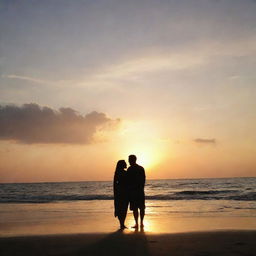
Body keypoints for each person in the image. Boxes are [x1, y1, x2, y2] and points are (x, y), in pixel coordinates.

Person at [127, 155, 146, 228]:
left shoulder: (130, 169)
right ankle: (140, 223)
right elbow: (143, 180)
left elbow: (128, 181)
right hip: (139, 191)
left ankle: (138, 223)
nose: (128, 161)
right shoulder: (141, 168)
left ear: (133, 160)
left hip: (134, 191)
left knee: (136, 208)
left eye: (129, 160)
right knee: (141, 208)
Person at [113, 160, 129, 229]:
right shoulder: (124, 173)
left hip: (120, 192)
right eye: (125, 163)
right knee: (123, 208)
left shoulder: (117, 173)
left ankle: (122, 223)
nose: (126, 164)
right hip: (124, 192)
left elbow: (115, 184)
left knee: (120, 208)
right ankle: (122, 224)